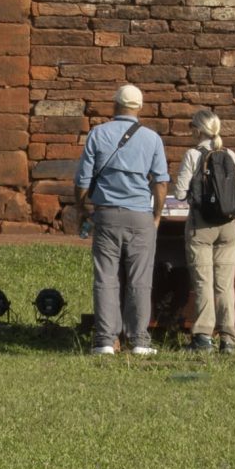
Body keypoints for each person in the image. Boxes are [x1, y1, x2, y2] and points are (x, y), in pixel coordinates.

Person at [70, 82, 168, 356]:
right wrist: (157, 214)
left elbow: (82, 181)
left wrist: (82, 209)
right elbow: (160, 183)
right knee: (140, 279)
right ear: (140, 108)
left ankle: (105, 340)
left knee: (106, 278)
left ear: (115, 105)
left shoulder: (98, 134)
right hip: (140, 215)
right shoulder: (152, 139)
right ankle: (138, 340)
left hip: (107, 214)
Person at [172, 109, 235, 354]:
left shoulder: (193, 155)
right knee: (224, 285)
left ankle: (203, 337)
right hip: (227, 226)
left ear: (198, 129)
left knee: (203, 282)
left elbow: (181, 192)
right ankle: (228, 338)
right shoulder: (229, 154)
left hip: (201, 226)